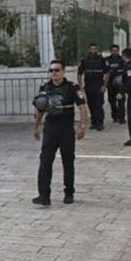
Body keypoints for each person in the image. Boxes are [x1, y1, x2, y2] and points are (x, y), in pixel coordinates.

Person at [33, 60, 89, 205]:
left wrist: (82, 126)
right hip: (50, 129)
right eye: (51, 70)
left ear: (63, 71)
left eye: (57, 70)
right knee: (45, 162)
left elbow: (82, 107)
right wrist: (36, 127)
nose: (54, 73)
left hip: (66, 129)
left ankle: (69, 192)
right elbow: (40, 109)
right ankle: (44, 195)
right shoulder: (45, 88)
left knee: (68, 161)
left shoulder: (72, 87)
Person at [76, 43, 106, 130]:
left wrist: (104, 85)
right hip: (89, 86)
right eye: (92, 49)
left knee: (98, 104)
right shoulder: (84, 60)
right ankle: (94, 122)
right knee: (91, 104)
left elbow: (107, 73)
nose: (93, 50)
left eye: (95, 49)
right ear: (89, 50)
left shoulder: (101, 60)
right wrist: (81, 86)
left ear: (97, 50)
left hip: (99, 85)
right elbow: (79, 73)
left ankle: (100, 123)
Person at [104, 45, 126, 124]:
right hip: (110, 84)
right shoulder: (107, 60)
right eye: (113, 50)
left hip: (120, 84)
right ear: (110, 51)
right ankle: (115, 116)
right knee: (112, 102)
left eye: (116, 50)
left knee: (121, 101)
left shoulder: (122, 60)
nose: (115, 52)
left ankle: (122, 117)